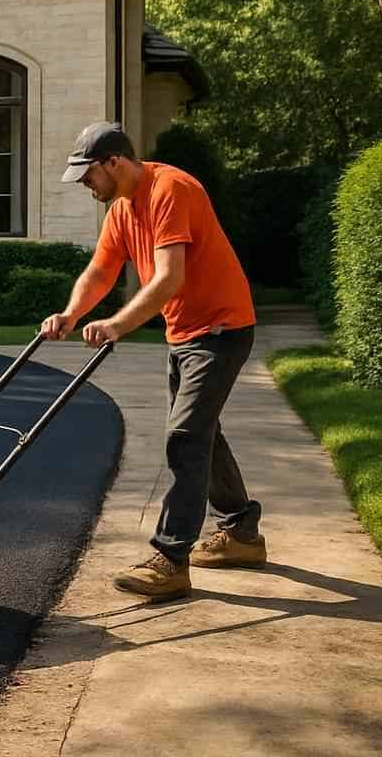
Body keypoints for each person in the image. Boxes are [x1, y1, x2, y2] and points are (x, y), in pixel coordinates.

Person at [42, 121, 263, 600]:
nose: (85, 184)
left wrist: (117, 325)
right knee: (202, 433)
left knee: (185, 437)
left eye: (88, 174)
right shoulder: (122, 209)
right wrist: (71, 314)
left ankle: (171, 558)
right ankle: (242, 533)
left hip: (221, 329)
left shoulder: (170, 190)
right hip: (184, 333)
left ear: (114, 162)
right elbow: (100, 270)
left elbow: (169, 278)